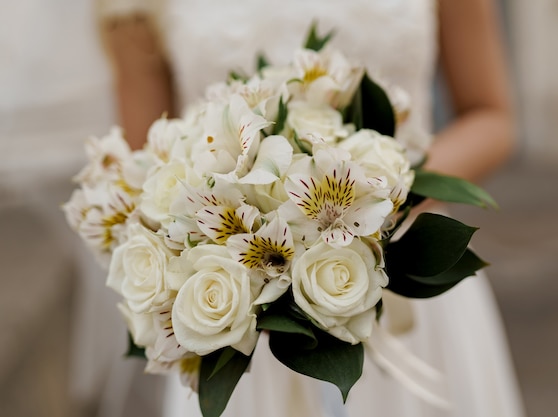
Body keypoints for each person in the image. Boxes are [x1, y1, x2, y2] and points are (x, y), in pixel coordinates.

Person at [98, 0, 525, 416]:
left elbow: (490, 117)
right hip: (242, 312)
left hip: (407, 279)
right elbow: (148, 169)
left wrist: (377, 199)